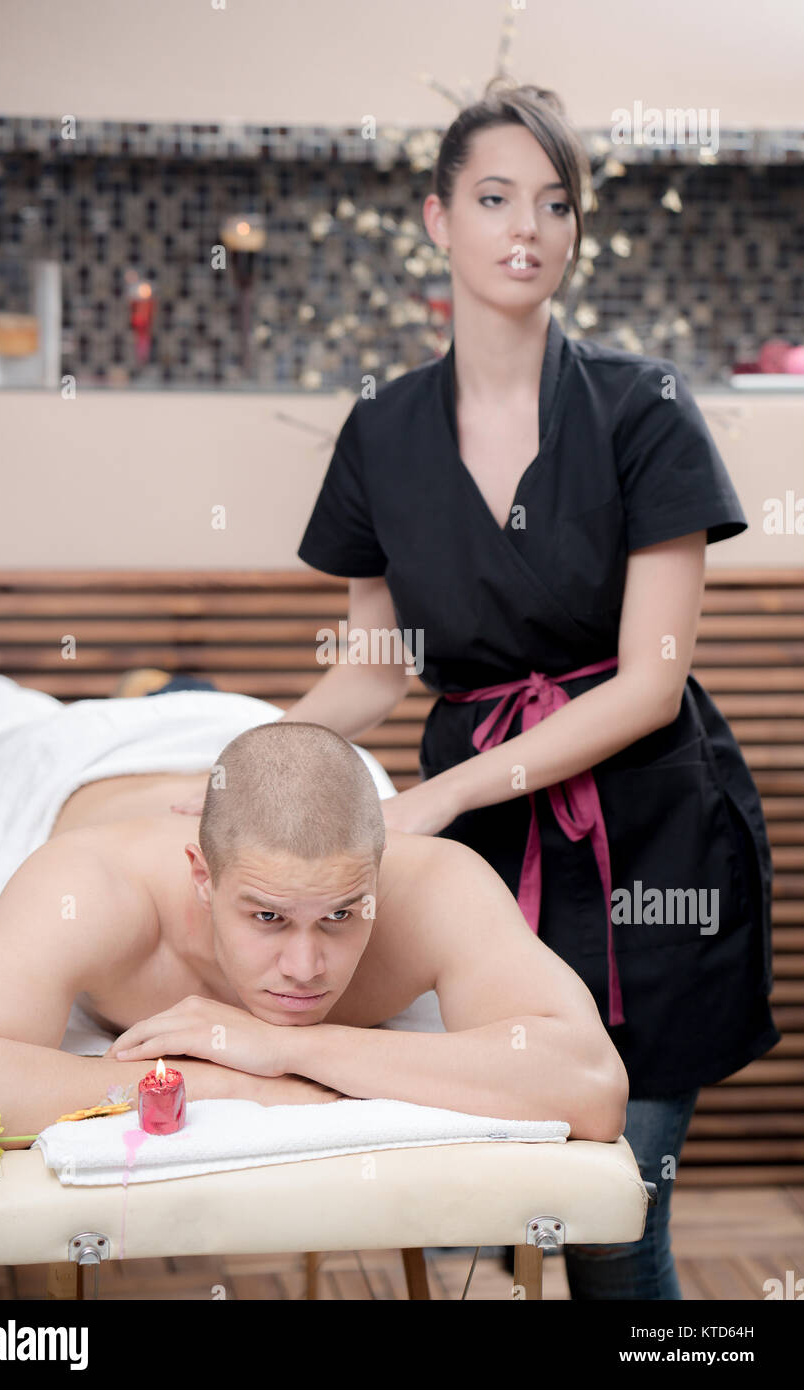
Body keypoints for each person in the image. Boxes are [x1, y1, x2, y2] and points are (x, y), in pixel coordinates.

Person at [279, 81, 781, 1300]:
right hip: (488, 871)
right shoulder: (382, 431)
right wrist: (253, 758)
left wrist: (442, 794)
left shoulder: (642, 407)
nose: (526, 228)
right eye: (495, 198)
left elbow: (652, 687)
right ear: (438, 217)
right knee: (490, 1210)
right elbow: (379, 664)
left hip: (653, 842)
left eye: (554, 204)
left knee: (616, 1229)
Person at [0, 716, 627, 1150]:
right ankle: (147, 695)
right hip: (71, 760)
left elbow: (590, 1084)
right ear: (201, 878)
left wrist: (280, 1047)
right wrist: (228, 1085)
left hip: (270, 739)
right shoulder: (89, 886)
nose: (304, 966)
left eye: (340, 916)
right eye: (267, 918)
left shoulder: (436, 883)